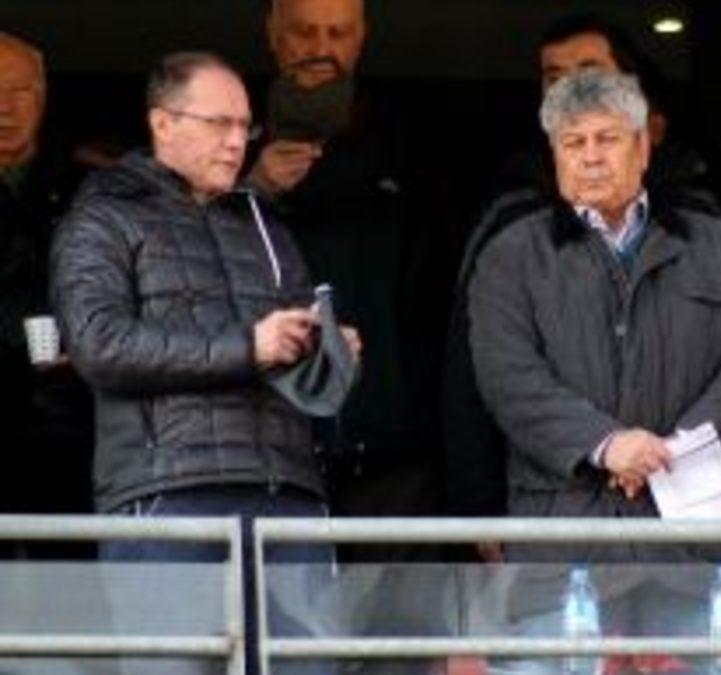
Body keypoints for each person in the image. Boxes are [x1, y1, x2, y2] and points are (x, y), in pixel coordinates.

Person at [51, 51, 359, 675]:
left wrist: (324, 350)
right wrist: (248, 347)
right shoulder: (104, 215)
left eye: (245, 126)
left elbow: (285, 346)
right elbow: (98, 344)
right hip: (168, 493)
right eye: (219, 123)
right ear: (162, 123)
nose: (237, 141)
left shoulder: (263, 222)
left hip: (287, 488)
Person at [467, 69, 721, 673]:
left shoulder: (716, 244)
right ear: (554, 156)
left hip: (698, 550)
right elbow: (508, 377)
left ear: (642, 146)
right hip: (567, 553)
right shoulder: (511, 254)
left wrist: (671, 450)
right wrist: (606, 445)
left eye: (607, 139)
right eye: (573, 142)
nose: (590, 157)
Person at [443, 11, 717, 529]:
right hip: (553, 507)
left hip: (690, 502)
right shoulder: (511, 219)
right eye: (554, 77)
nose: (572, 88)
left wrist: (669, 452)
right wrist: (478, 505)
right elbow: (477, 370)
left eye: (589, 70)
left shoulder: (699, 221)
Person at [255, 0, 449, 564]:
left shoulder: (411, 146)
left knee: (397, 621)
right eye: (304, 32)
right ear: (273, 34)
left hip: (393, 458)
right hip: (265, 458)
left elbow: (446, 308)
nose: (321, 48)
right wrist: (254, 187)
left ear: (361, 38)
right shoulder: (228, 137)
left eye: (337, 33)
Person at [0, 31, 94, 558]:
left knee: (69, 572)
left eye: (19, 91)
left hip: (69, 414)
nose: (5, 108)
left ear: (42, 96)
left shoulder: (87, 185)